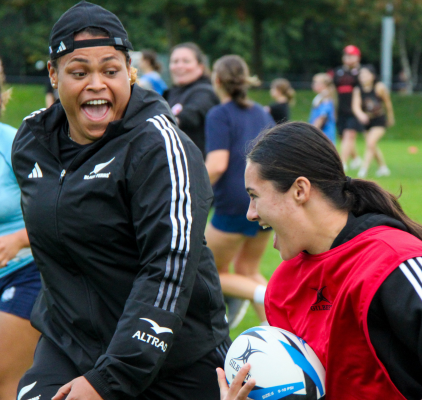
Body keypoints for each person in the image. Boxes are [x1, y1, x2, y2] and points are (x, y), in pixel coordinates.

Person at [12, 3, 230, 400]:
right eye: (79, 72)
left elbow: (168, 268)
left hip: (172, 362)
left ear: (129, 71)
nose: (96, 84)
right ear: (53, 74)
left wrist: (108, 380)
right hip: (70, 347)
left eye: (110, 71)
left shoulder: (159, 146)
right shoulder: (32, 142)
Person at [219, 121, 422, 400]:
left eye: (254, 196)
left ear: (300, 190)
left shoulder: (395, 262)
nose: (251, 213)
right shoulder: (283, 284)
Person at [204, 55, 274, 329]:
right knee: (248, 270)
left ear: (216, 80)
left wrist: (186, 189)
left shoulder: (218, 114)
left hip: (235, 202)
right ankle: (279, 332)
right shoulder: (261, 112)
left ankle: (268, 295)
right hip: (265, 199)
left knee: (207, 272)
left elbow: (217, 164)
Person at [0, 79, 41, 400]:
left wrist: (18, 239)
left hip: (23, 273)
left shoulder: (14, 144)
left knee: (5, 375)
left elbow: (58, 215)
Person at [164, 42, 219, 157]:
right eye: (175, 61)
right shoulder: (170, 93)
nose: (179, 66)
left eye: (186, 61)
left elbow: (193, 114)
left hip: (196, 164)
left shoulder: (205, 91)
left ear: (200, 67)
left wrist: (171, 122)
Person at [352, 64, 394, 178]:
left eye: (366, 74)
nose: (363, 77)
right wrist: (361, 115)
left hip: (379, 120)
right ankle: (383, 168)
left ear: (373, 76)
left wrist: (390, 117)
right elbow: (355, 106)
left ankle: (363, 170)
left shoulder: (379, 87)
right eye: (361, 75)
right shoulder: (358, 90)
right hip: (367, 120)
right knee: (372, 145)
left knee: (370, 143)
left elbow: (387, 103)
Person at [333, 45, 363, 171]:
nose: (348, 58)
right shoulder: (338, 72)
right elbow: (333, 91)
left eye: (351, 55)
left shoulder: (362, 72)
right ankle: (356, 159)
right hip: (341, 110)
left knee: (348, 135)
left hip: (355, 110)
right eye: (346, 55)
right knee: (343, 137)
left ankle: (343, 163)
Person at [309, 73, 337, 143]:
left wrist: (313, 131)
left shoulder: (325, 99)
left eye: (316, 82)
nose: (313, 84)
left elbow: (322, 117)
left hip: (323, 135)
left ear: (323, 85)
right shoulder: (320, 97)